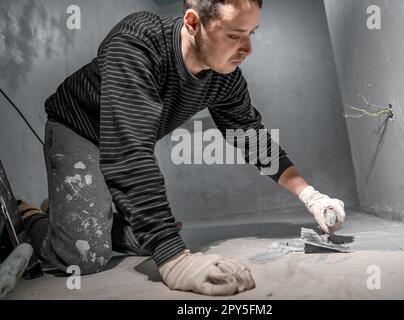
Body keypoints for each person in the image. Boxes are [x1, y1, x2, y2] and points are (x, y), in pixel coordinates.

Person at [22, 0, 346, 296]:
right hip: (79, 128)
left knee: (144, 237)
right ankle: (31, 216)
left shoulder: (225, 77)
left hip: (125, 142)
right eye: (235, 35)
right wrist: (174, 260)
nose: (248, 49)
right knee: (85, 256)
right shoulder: (137, 43)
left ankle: (68, 208)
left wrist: (311, 195)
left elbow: (252, 138)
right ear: (192, 22)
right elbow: (129, 153)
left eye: (252, 33)